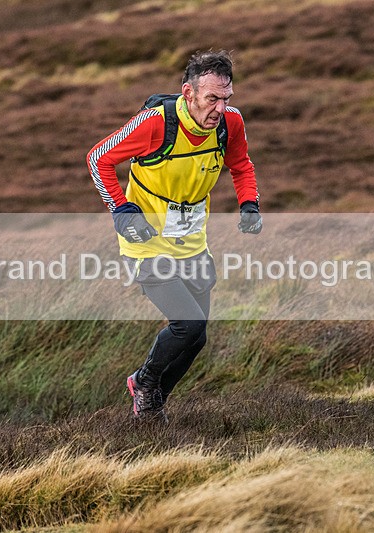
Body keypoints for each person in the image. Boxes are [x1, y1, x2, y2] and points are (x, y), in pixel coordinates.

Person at [87, 49, 261, 422]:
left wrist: (249, 205)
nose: (220, 108)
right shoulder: (156, 124)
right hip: (147, 242)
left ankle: (151, 406)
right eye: (212, 98)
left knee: (197, 339)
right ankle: (143, 381)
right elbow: (99, 157)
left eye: (227, 98)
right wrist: (121, 209)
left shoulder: (231, 123)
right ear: (189, 92)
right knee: (188, 324)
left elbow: (241, 164)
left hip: (193, 243)